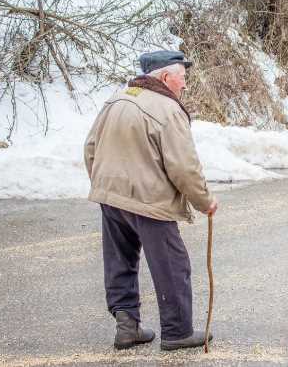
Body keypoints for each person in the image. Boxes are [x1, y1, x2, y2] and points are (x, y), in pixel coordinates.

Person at [84, 50, 218, 351]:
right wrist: (204, 201)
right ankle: (178, 332)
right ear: (166, 77)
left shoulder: (116, 100)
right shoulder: (168, 109)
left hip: (110, 195)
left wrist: (104, 183)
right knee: (172, 265)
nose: (184, 85)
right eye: (183, 78)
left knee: (120, 262)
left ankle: (127, 327)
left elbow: (90, 147)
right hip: (148, 200)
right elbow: (184, 166)